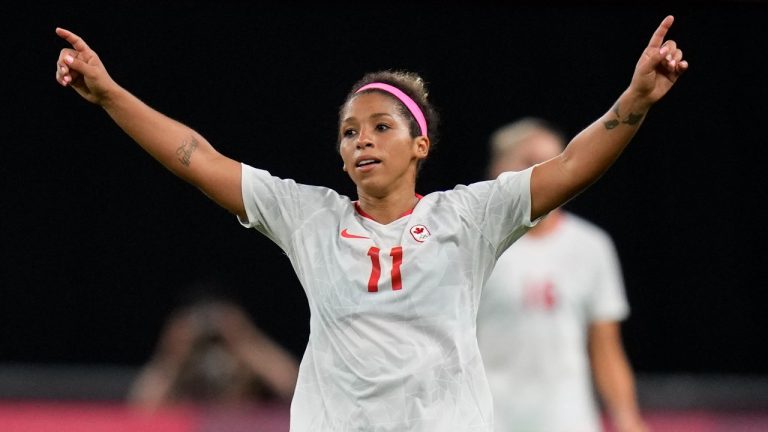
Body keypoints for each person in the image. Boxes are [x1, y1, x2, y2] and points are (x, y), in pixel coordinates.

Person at [54, 16, 686, 431]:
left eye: (382, 127)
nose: (363, 141)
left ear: (421, 145)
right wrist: (109, 92)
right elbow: (196, 157)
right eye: (350, 131)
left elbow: (574, 165)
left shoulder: (470, 215)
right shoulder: (308, 216)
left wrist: (633, 101)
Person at [477, 118, 647, 432]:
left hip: (568, 419)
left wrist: (627, 418)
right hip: (491, 419)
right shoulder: (475, 247)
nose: (543, 174)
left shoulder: (591, 246)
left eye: (552, 163)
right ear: (497, 170)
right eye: (529, 162)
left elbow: (605, 347)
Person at [127, 293, 300, 410]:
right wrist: (175, 352)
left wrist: (244, 339)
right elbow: (141, 407)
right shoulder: (181, 363)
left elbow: (290, 384)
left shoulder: (243, 352)